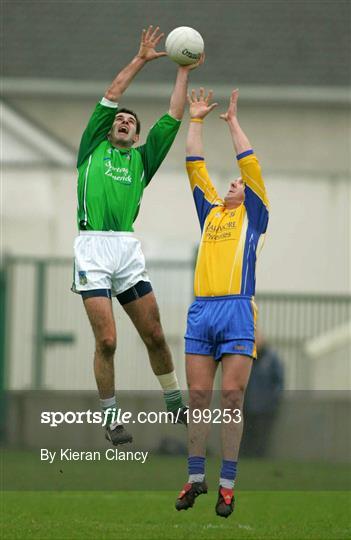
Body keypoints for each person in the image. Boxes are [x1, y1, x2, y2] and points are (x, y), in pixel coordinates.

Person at [71, 26, 203, 446]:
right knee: (107, 340)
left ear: (137, 135)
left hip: (127, 249)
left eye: (131, 121)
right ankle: (111, 418)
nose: (124, 121)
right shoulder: (92, 147)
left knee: (156, 335)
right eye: (120, 119)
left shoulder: (143, 161)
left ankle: (175, 401)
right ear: (109, 128)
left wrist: (183, 69)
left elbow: (174, 116)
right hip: (93, 247)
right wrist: (142, 59)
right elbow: (112, 92)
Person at [175, 88, 269, 518]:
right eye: (232, 181)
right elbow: (194, 164)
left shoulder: (255, 214)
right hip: (202, 310)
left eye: (239, 181)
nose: (235, 182)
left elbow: (249, 164)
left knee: (231, 396)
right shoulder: (210, 211)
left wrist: (232, 123)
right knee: (198, 395)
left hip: (236, 310)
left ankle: (227, 486)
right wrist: (194, 120)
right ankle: (196, 477)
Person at [241, 332, 284, 458]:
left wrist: (273, 400)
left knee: (262, 436)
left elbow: (279, 381)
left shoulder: (271, 359)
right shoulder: (247, 359)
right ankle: (245, 458)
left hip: (265, 407)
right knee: (246, 434)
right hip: (247, 405)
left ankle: (259, 457)